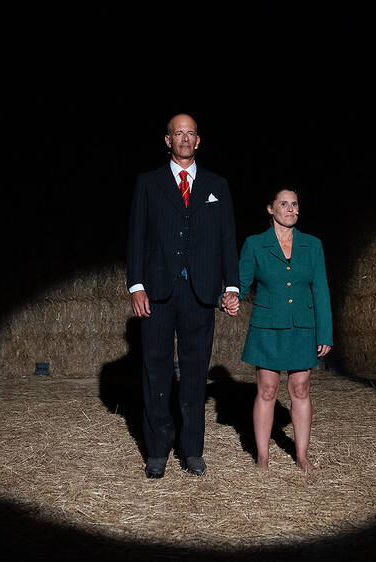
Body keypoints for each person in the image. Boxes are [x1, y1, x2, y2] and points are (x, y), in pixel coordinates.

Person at [127, 113, 240, 478]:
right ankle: (157, 451)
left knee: (194, 374)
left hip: (200, 293)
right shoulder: (149, 183)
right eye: (179, 133)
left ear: (198, 140)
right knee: (156, 373)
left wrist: (232, 286)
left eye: (191, 133)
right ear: (168, 140)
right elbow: (136, 237)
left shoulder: (216, 185)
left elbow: (227, 238)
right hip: (158, 292)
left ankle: (192, 450)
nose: (185, 138)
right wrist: (136, 285)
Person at [235, 187, 332, 471]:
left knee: (300, 388)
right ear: (270, 208)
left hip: (302, 326)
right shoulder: (255, 244)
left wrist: (325, 332)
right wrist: (229, 297)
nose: (291, 209)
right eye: (284, 204)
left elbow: (321, 290)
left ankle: (302, 456)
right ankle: (263, 457)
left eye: (295, 204)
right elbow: (241, 283)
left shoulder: (312, 245)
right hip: (268, 326)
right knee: (267, 389)